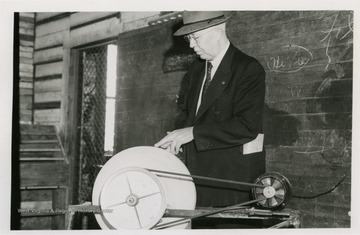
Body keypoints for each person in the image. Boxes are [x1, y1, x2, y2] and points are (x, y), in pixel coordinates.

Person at [155, 11, 266, 211]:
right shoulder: (196, 70)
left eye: (196, 37)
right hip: (196, 184)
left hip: (230, 189)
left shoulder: (248, 68)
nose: (191, 45)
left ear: (217, 32)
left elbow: (247, 126)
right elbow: (188, 115)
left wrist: (192, 133)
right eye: (189, 38)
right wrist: (177, 140)